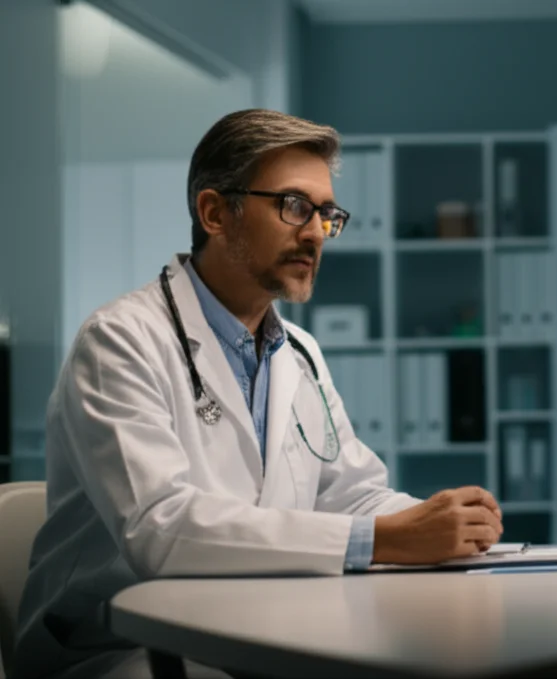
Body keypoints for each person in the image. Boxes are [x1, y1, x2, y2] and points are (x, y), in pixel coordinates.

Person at [11, 109, 504, 679]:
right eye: (295, 206)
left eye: (327, 214)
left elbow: (352, 495)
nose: (316, 232)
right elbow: (160, 527)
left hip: (253, 625)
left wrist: (443, 522)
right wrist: (384, 540)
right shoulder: (119, 342)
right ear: (215, 213)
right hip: (117, 647)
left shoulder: (299, 352)